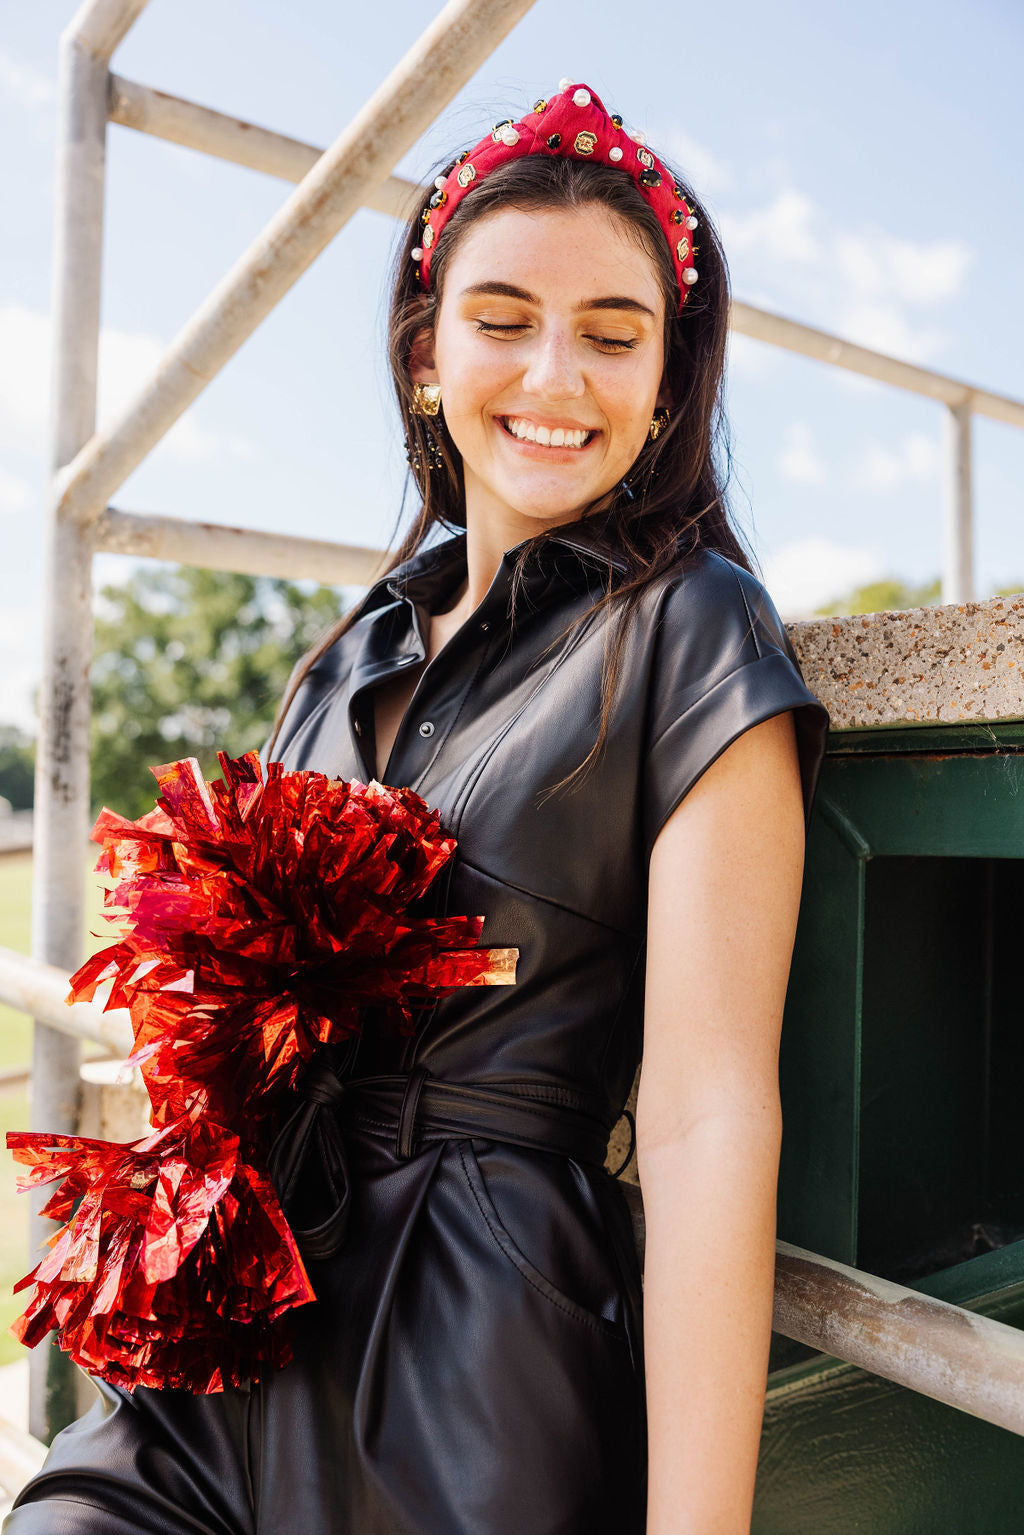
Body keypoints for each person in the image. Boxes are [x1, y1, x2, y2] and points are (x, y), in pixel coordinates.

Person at [6, 80, 829, 1534]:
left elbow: (705, 1118)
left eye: (613, 336)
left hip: (468, 1366)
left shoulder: (694, 629)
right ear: (428, 356)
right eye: (503, 319)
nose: (557, 376)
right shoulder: (347, 655)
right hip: (226, 1340)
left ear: (666, 381)